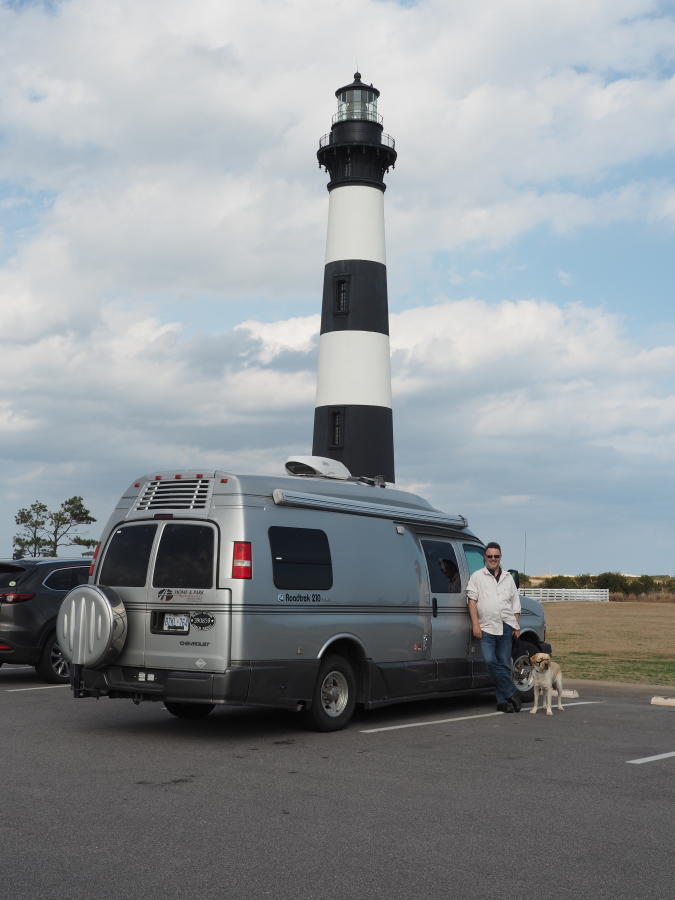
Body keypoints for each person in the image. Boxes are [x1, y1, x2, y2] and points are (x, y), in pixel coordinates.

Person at [466, 542, 522, 713]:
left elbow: (515, 603)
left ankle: (503, 702)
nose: (492, 559)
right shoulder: (477, 576)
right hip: (486, 627)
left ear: (500, 557)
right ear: (485, 557)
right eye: (489, 556)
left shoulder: (508, 578)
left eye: (496, 556)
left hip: (506, 626)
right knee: (490, 661)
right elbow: (472, 601)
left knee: (504, 664)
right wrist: (475, 624)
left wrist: (516, 624)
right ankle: (512, 692)